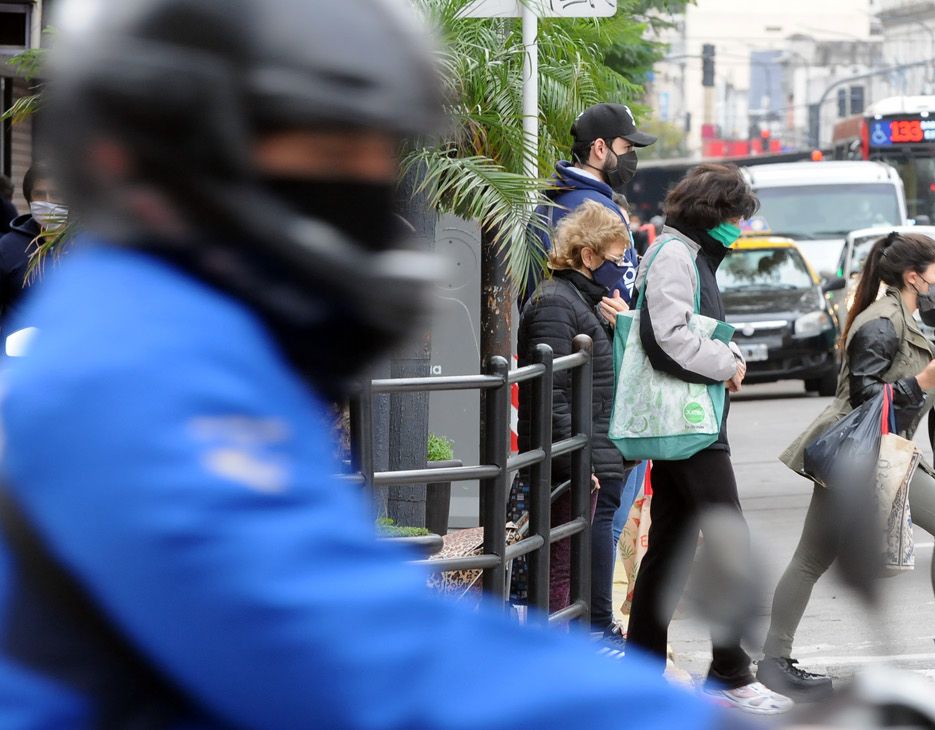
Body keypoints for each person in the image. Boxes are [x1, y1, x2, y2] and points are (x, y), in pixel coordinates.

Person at [0, 1, 743, 727]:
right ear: (186, 162)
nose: (361, 193)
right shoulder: (133, 377)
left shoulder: (218, 355)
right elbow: (345, 647)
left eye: (376, 156)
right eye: (325, 158)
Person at [760, 232, 935, 700]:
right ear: (913, 276)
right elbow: (864, 398)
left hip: (881, 450)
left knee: (811, 557)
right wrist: (920, 382)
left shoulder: (904, 317)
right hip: (860, 451)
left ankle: (775, 660)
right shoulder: (880, 323)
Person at [625, 163, 792, 715]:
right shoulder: (675, 255)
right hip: (690, 424)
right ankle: (730, 671)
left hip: (688, 422)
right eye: (737, 217)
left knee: (670, 544)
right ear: (713, 213)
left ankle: (644, 669)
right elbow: (664, 336)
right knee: (729, 540)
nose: (740, 228)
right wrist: (727, 362)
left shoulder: (685, 252)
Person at [517, 200, 629, 639]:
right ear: (588, 256)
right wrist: (580, 464)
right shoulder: (555, 303)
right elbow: (552, 394)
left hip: (591, 455)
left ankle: (587, 638)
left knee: (573, 556)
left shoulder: (586, 301)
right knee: (562, 564)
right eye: (615, 259)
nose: (619, 269)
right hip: (572, 463)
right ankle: (577, 645)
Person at [520, 102, 656, 305]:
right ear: (600, 148)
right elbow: (621, 295)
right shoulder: (599, 209)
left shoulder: (546, 203)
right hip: (585, 333)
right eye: (626, 147)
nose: (631, 156)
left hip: (545, 328)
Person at [0, 165, 64, 325]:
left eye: (56, 194)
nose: (48, 202)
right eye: (40, 195)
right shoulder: (7, 248)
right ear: (29, 200)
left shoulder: (90, 247)